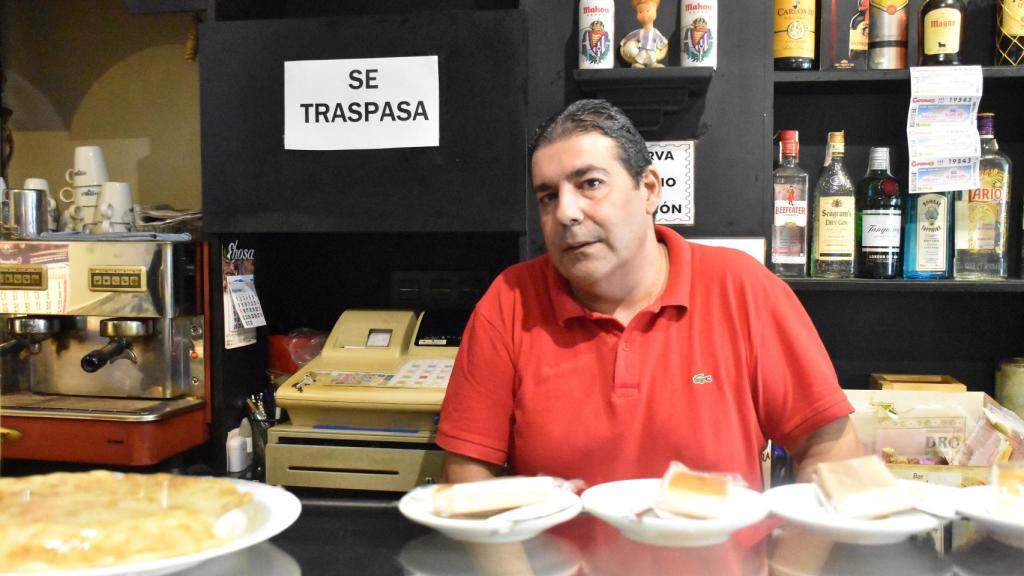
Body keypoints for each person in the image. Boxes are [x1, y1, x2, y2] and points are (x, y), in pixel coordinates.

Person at [436, 99, 862, 490]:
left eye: (589, 183)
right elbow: (467, 474)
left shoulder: (743, 289)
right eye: (548, 197)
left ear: (650, 190)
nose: (565, 213)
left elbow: (831, 452)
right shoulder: (510, 300)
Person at [620, 0, 668, 68]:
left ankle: (652, 65)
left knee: (651, 60)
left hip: (652, 51)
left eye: (647, 11)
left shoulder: (655, 32)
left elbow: (663, 42)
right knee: (640, 58)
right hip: (642, 50)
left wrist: (662, 50)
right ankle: (637, 64)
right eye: (640, 12)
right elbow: (630, 36)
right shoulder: (639, 32)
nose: (644, 14)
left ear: (655, 12)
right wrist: (623, 42)